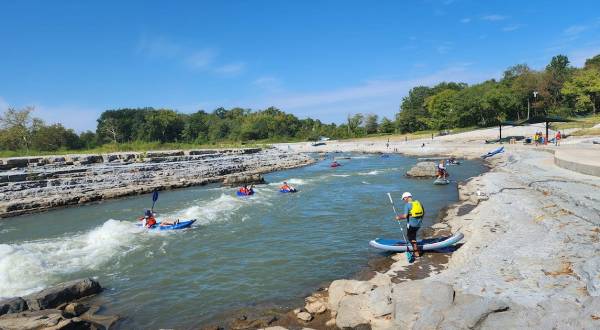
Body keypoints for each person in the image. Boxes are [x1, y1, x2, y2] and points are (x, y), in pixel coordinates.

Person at [395, 192, 424, 257]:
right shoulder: (418, 203)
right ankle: (416, 246)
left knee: (410, 237)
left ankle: (416, 252)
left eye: (404, 199)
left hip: (411, 225)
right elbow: (423, 213)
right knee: (413, 235)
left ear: (407, 197)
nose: (403, 200)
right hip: (419, 224)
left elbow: (405, 216)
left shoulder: (407, 205)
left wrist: (398, 217)